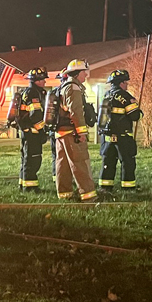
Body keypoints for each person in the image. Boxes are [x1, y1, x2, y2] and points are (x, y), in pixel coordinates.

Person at [54, 59, 97, 202]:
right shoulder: (73, 88)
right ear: (78, 73)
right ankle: (88, 194)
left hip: (61, 133)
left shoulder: (64, 86)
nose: (86, 75)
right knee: (80, 162)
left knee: (63, 164)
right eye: (85, 72)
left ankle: (65, 193)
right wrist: (82, 133)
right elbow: (76, 112)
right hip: (72, 133)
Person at [98, 69, 143, 192]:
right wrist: (138, 110)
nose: (127, 84)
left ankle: (105, 187)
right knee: (127, 162)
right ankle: (128, 187)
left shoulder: (106, 95)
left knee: (108, 162)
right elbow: (134, 116)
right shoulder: (125, 96)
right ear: (121, 83)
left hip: (107, 137)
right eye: (126, 82)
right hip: (123, 136)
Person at [18, 67, 48, 192]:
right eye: (42, 79)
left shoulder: (29, 91)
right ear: (37, 80)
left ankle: (23, 183)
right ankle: (30, 187)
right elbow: (35, 114)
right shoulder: (33, 93)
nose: (44, 82)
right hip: (32, 132)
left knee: (26, 159)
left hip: (27, 131)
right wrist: (42, 130)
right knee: (33, 159)